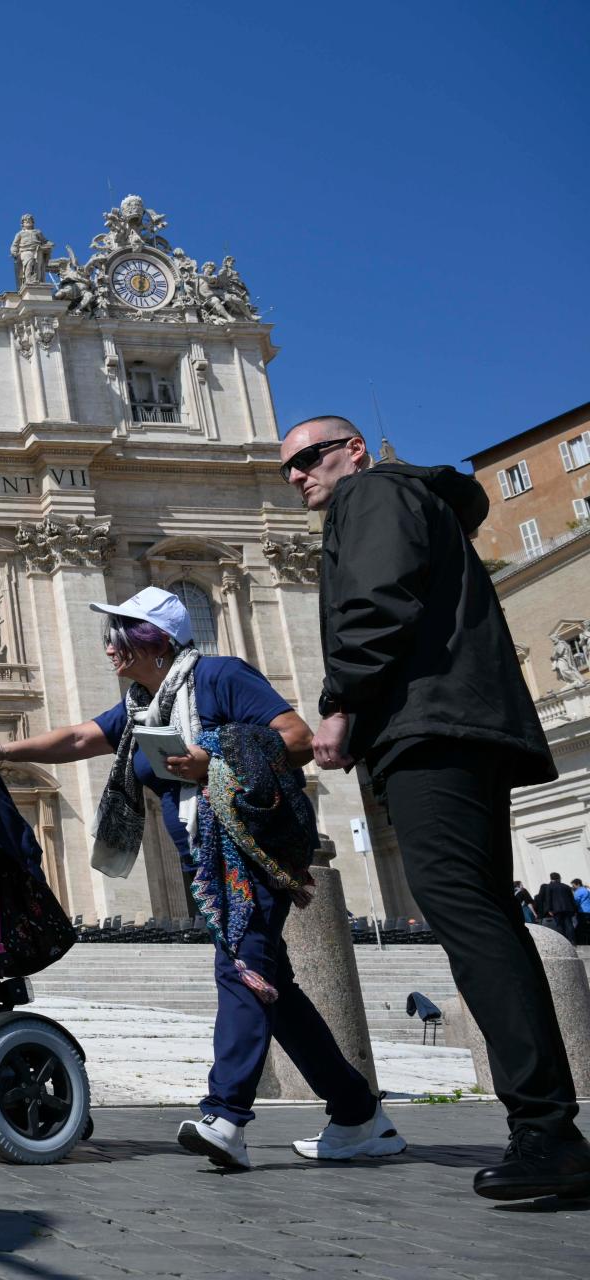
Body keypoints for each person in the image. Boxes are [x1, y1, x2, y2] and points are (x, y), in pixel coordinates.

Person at [0, 586, 401, 1172]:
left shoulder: (221, 677)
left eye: (118, 636)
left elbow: (297, 738)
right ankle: (358, 1115)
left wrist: (215, 756)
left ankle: (225, 1115)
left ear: (152, 641)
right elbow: (78, 739)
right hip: (205, 859)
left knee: (241, 972)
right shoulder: (142, 706)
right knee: (274, 990)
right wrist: (1, 750)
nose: (108, 649)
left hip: (251, 854)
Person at [282, 412, 586, 1201]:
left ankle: (549, 1136)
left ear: (351, 450)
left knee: (469, 921)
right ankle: (550, 1129)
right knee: (484, 919)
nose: (297, 476)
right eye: (287, 467)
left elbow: (378, 600)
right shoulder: (414, 500)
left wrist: (341, 701)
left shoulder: (372, 493)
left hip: (429, 726)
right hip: (461, 724)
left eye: (309, 458)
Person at [535, 872, 579, 939]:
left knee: (559, 925)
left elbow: (548, 899)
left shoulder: (549, 887)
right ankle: (572, 941)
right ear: (559, 878)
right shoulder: (566, 886)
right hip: (568, 909)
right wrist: (574, 909)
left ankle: (563, 940)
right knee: (569, 925)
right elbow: (571, 899)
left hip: (556, 909)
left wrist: (549, 909)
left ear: (551, 878)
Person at [574, 878, 590, 944]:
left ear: (578, 884)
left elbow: (576, 901)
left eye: (574, 885)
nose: (573, 887)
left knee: (582, 927)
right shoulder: (587, 890)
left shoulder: (578, 891)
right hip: (588, 910)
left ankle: (584, 942)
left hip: (582, 911)